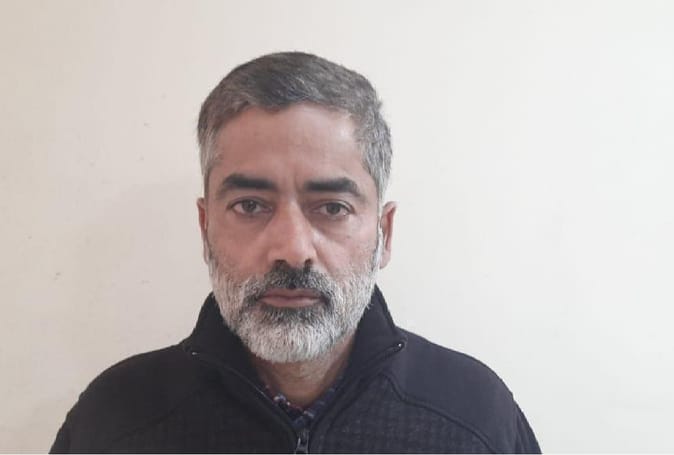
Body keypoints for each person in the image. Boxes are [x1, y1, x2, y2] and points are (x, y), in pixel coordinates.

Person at [51, 52, 541, 453]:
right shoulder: (114, 423)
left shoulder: (474, 417)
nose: (292, 249)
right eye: (250, 205)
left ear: (384, 233)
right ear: (205, 228)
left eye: (332, 208)